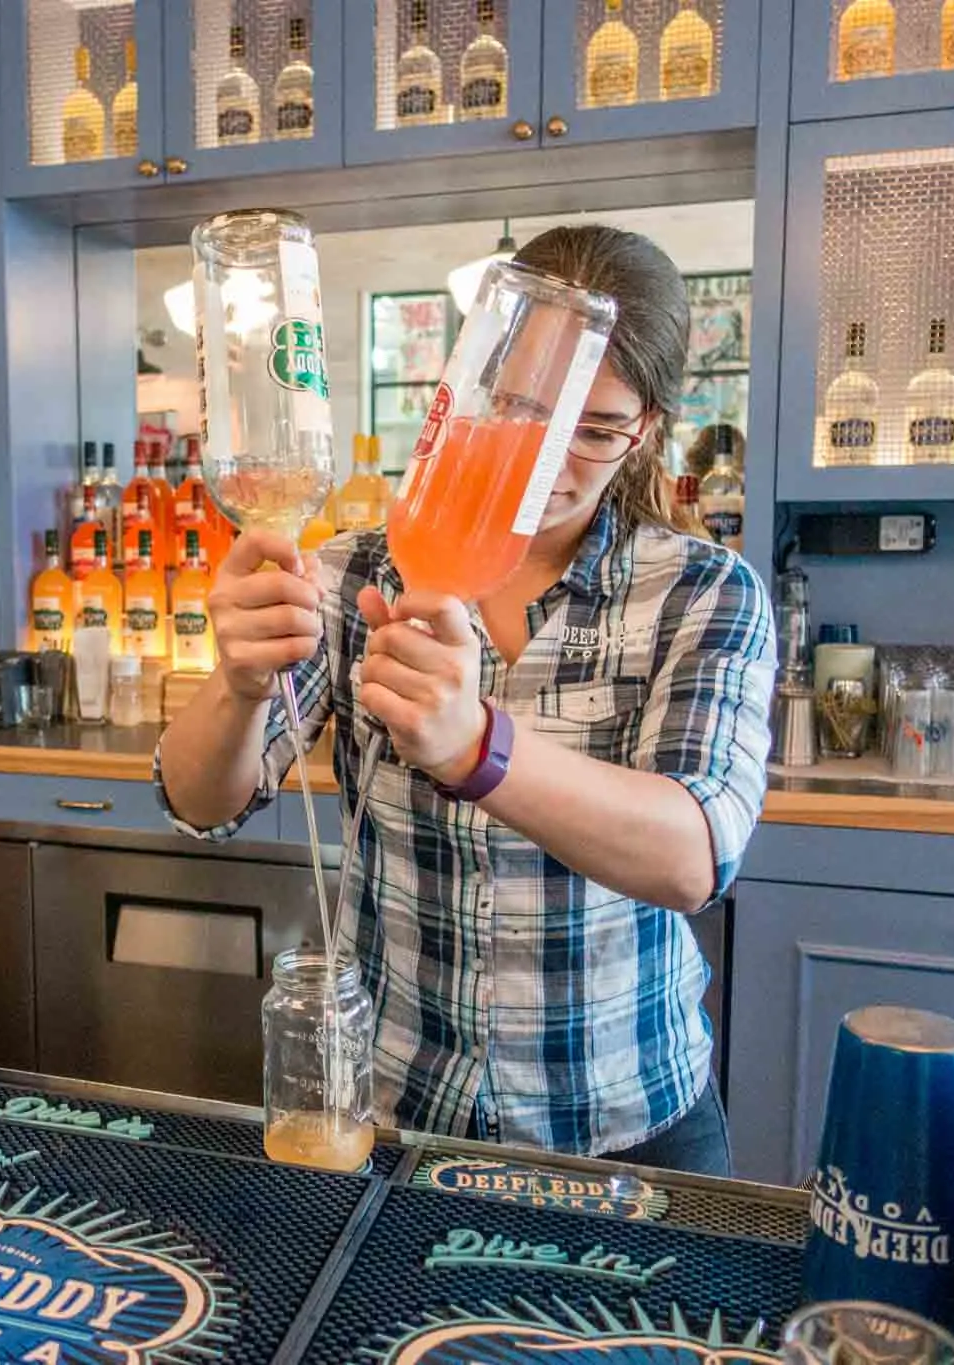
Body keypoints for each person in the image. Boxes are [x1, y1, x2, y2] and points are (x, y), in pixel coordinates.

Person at [155, 225, 775, 1176]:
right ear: (473, 392)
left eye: (595, 429)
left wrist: (480, 748)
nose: (549, 461)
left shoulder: (703, 591)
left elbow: (694, 854)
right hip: (398, 1107)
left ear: (645, 430)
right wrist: (238, 685)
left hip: (625, 1121)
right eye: (526, 413)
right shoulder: (355, 571)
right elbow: (203, 800)